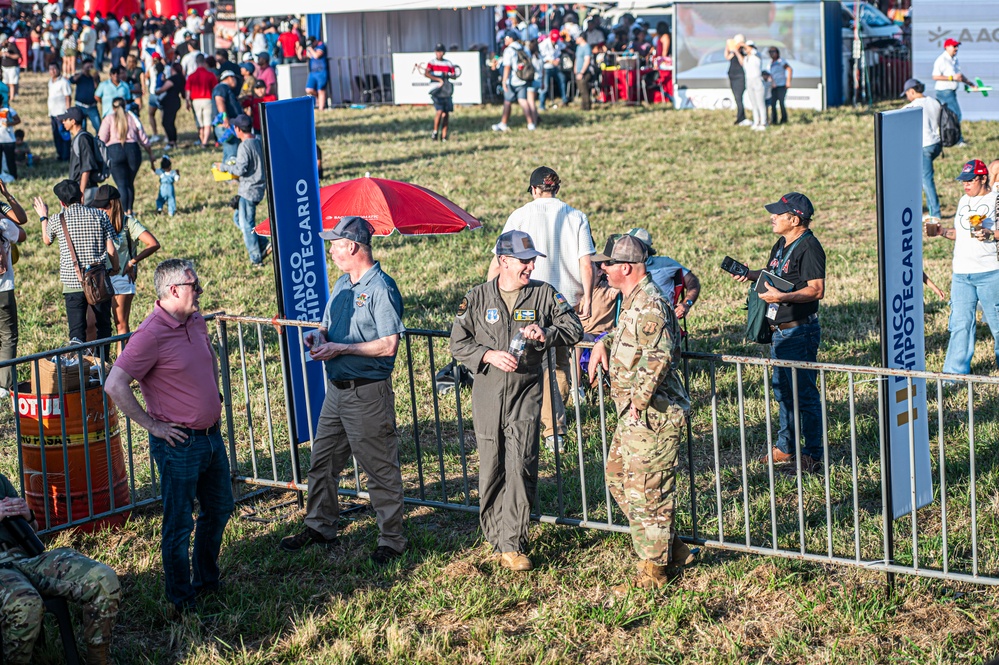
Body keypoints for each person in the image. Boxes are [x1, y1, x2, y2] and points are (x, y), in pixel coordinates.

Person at [104, 258, 233, 615]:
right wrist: (154, 425)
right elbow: (114, 384)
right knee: (178, 525)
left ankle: (206, 581)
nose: (201, 291)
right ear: (173, 290)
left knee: (220, 508)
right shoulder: (150, 334)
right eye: (195, 285)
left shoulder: (195, 319)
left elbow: (209, 359)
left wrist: (215, 392)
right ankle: (181, 599)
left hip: (210, 436)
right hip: (179, 445)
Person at [450, 230, 583, 570]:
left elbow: (574, 327)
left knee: (521, 463)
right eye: (524, 261)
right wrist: (488, 355)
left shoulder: (543, 294)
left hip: (526, 393)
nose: (530, 266)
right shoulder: (477, 298)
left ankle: (514, 541)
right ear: (504, 261)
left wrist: (547, 334)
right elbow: (458, 343)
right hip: (488, 395)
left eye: (532, 260)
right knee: (492, 465)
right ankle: (496, 535)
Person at [279, 217, 408, 565]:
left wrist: (342, 349)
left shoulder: (381, 288)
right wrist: (318, 338)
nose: (331, 250)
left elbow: (388, 345)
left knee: (379, 470)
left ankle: (392, 540)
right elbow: (326, 326)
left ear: (352, 247)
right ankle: (319, 525)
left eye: (334, 244)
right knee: (322, 463)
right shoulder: (341, 282)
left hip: (367, 393)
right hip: (337, 393)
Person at [585, 234, 693, 594]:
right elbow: (629, 336)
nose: (603, 269)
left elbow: (657, 356)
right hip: (635, 418)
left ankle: (654, 572)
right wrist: (603, 342)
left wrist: (638, 404)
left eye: (609, 264)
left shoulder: (650, 304)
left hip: (653, 418)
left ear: (626, 268)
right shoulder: (634, 301)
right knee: (618, 478)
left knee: (650, 494)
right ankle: (672, 547)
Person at [488, 166, 595, 448]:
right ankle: (552, 426)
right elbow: (586, 262)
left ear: (534, 189)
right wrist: (589, 296)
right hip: (565, 300)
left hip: (531, 298)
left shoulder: (520, 215)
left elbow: (500, 258)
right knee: (558, 364)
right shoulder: (576, 216)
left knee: (545, 367)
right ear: (556, 188)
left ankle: (550, 430)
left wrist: (489, 293)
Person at [730, 192, 825, 473]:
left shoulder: (810, 248)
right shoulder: (782, 243)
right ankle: (786, 447)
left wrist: (782, 299)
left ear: (794, 219)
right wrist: (750, 274)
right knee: (783, 391)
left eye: (778, 214)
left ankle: (813, 453)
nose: (772, 217)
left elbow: (816, 289)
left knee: (804, 394)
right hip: (780, 332)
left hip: (799, 332)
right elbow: (775, 276)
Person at [0, 471, 120, 665]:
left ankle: (99, 659)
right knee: (25, 604)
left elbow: (34, 528)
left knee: (102, 579)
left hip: (25, 557)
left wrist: (27, 515)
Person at [925, 160, 999, 375]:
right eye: (963, 181)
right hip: (961, 274)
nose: (965, 184)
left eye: (970, 180)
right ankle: (954, 375)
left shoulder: (995, 199)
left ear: (983, 178)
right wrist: (941, 231)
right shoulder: (963, 201)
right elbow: (961, 234)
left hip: (990, 272)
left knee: (996, 324)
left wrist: (990, 234)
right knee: (960, 325)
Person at [34, 179, 119, 344]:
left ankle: (79, 366)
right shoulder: (100, 215)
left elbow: (46, 240)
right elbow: (111, 250)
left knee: (76, 333)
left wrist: (43, 216)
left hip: (72, 282)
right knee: (104, 327)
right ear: (81, 196)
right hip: (98, 279)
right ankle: (102, 365)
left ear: (61, 202)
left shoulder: (57, 219)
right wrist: (115, 268)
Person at [91, 184, 160, 337]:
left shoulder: (129, 224)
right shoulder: (96, 222)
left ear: (113, 204)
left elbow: (153, 244)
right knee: (97, 324)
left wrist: (132, 262)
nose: (100, 210)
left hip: (122, 277)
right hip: (100, 277)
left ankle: (122, 361)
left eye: (103, 207)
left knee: (120, 324)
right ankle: (101, 360)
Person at [216, 114, 269, 265]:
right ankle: (264, 243)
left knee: (247, 226)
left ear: (238, 129)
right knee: (238, 218)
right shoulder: (258, 141)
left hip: (248, 191)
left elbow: (239, 169)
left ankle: (256, 259)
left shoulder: (244, 146)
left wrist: (223, 167)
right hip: (258, 188)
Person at [626, 228, 701, 318]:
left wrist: (686, 304)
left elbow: (692, 282)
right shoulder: (619, 266)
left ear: (644, 248)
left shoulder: (664, 264)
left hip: (658, 319)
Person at [98, 97, 154, 216]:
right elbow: (143, 138)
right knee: (129, 182)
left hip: (114, 151)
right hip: (133, 150)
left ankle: (123, 213)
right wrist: (150, 154)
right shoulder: (133, 117)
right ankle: (130, 210)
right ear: (125, 105)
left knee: (121, 184)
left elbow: (101, 139)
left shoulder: (108, 119)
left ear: (113, 107)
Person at [901, 78, 943, 224]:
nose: (907, 97)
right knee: (921, 176)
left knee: (926, 179)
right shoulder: (934, 102)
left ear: (912, 91)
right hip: (937, 144)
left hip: (924, 145)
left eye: (907, 93)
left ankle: (935, 213)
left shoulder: (911, 107)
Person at [0, 181, 26, 399]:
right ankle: (4, 385)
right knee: (8, 335)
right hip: (3, 288)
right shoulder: (3, 225)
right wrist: (7, 196)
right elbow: (23, 231)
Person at [492, 30, 537, 132]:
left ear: (511, 38)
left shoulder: (509, 50)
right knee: (523, 101)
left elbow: (507, 67)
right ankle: (530, 123)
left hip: (512, 80)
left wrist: (504, 81)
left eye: (506, 38)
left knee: (507, 102)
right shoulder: (524, 48)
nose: (504, 40)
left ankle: (503, 123)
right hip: (523, 79)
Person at [931, 38, 970, 148]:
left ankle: (949, 139)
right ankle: (957, 140)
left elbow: (959, 76)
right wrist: (951, 77)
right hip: (944, 92)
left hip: (951, 91)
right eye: (954, 46)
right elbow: (935, 76)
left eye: (957, 46)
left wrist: (970, 84)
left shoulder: (954, 59)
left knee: (949, 116)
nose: (956, 48)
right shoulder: (941, 60)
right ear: (946, 47)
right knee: (955, 115)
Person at [62, 107, 101, 205]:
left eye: (65, 119)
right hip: (81, 189)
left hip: (86, 189)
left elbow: (86, 167)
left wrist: (81, 193)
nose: (63, 122)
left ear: (73, 121)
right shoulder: (78, 138)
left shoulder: (83, 139)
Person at [425, 43, 457, 142]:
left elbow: (454, 75)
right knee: (439, 111)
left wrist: (448, 76)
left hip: (446, 91)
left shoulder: (448, 63)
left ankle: (444, 136)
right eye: (438, 51)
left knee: (446, 113)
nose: (439, 53)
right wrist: (438, 79)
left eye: (441, 51)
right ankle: (435, 132)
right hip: (436, 90)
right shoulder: (432, 63)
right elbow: (427, 73)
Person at [185, 53, 217, 148]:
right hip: (207, 99)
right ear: (204, 62)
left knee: (199, 121)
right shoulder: (210, 75)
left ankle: (202, 138)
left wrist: (187, 101)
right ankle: (205, 142)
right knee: (207, 122)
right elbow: (215, 88)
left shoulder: (191, 76)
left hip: (195, 100)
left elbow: (188, 90)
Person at [155, 62, 186, 150]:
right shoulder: (180, 78)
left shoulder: (173, 79)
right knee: (170, 122)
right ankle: (173, 141)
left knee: (166, 122)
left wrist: (157, 90)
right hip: (175, 101)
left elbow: (163, 89)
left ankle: (171, 141)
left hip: (170, 102)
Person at [212, 69, 241, 163]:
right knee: (232, 154)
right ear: (229, 78)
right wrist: (225, 117)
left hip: (228, 125)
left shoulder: (226, 88)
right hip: (226, 126)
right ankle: (231, 177)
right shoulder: (222, 87)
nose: (236, 81)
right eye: (235, 79)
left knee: (229, 152)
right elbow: (219, 100)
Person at [48, 62, 72, 162]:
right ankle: (60, 154)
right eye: (50, 69)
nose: (52, 71)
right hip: (52, 113)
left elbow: (68, 97)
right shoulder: (50, 82)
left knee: (64, 135)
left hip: (62, 113)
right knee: (56, 135)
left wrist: (68, 112)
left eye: (54, 69)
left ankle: (66, 155)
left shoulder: (64, 82)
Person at [70, 57, 101, 132]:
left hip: (92, 106)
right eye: (88, 67)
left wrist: (95, 78)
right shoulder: (80, 76)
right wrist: (82, 72)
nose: (89, 69)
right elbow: (72, 80)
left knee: (99, 127)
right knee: (81, 128)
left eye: (91, 67)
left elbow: (97, 88)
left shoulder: (94, 77)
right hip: (80, 106)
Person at [724, 34, 749, 126]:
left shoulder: (744, 53)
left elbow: (743, 62)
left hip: (740, 77)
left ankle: (741, 117)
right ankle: (740, 117)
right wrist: (728, 47)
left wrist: (738, 51)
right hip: (732, 76)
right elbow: (727, 56)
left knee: (739, 97)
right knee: (736, 97)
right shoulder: (733, 53)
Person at [538, 30, 566, 111]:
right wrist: (551, 61)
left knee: (562, 80)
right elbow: (541, 57)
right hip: (546, 67)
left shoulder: (558, 42)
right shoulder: (544, 44)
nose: (554, 41)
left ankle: (564, 100)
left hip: (556, 67)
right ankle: (541, 105)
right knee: (545, 86)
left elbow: (563, 47)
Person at [743, 41, 766, 131]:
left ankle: (763, 122)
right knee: (754, 103)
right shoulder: (746, 58)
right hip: (749, 80)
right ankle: (756, 122)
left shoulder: (757, 55)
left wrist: (743, 44)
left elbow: (753, 51)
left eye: (747, 47)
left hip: (757, 80)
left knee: (760, 103)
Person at [767, 47, 792, 125]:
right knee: (773, 104)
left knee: (781, 103)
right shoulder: (770, 63)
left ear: (777, 53)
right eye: (770, 52)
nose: (771, 54)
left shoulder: (781, 61)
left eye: (773, 52)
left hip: (781, 85)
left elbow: (789, 69)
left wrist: (788, 81)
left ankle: (784, 119)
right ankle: (774, 120)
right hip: (773, 86)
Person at [304, 37, 328, 111]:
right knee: (309, 90)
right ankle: (319, 97)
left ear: (315, 41)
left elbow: (316, 56)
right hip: (313, 72)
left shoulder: (321, 46)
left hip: (321, 71)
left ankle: (321, 109)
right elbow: (305, 57)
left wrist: (311, 49)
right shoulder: (312, 48)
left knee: (321, 90)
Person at [573, 31, 593, 112]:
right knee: (581, 89)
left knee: (584, 89)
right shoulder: (578, 47)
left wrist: (582, 72)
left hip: (584, 72)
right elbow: (577, 59)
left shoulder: (586, 47)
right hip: (578, 71)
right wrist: (575, 68)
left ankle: (587, 106)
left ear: (581, 38)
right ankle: (583, 105)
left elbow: (587, 60)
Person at [0, 105, 20, 180]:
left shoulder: (8, 109)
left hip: (9, 140)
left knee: (10, 160)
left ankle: (14, 176)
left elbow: (18, 120)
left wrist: (9, 123)